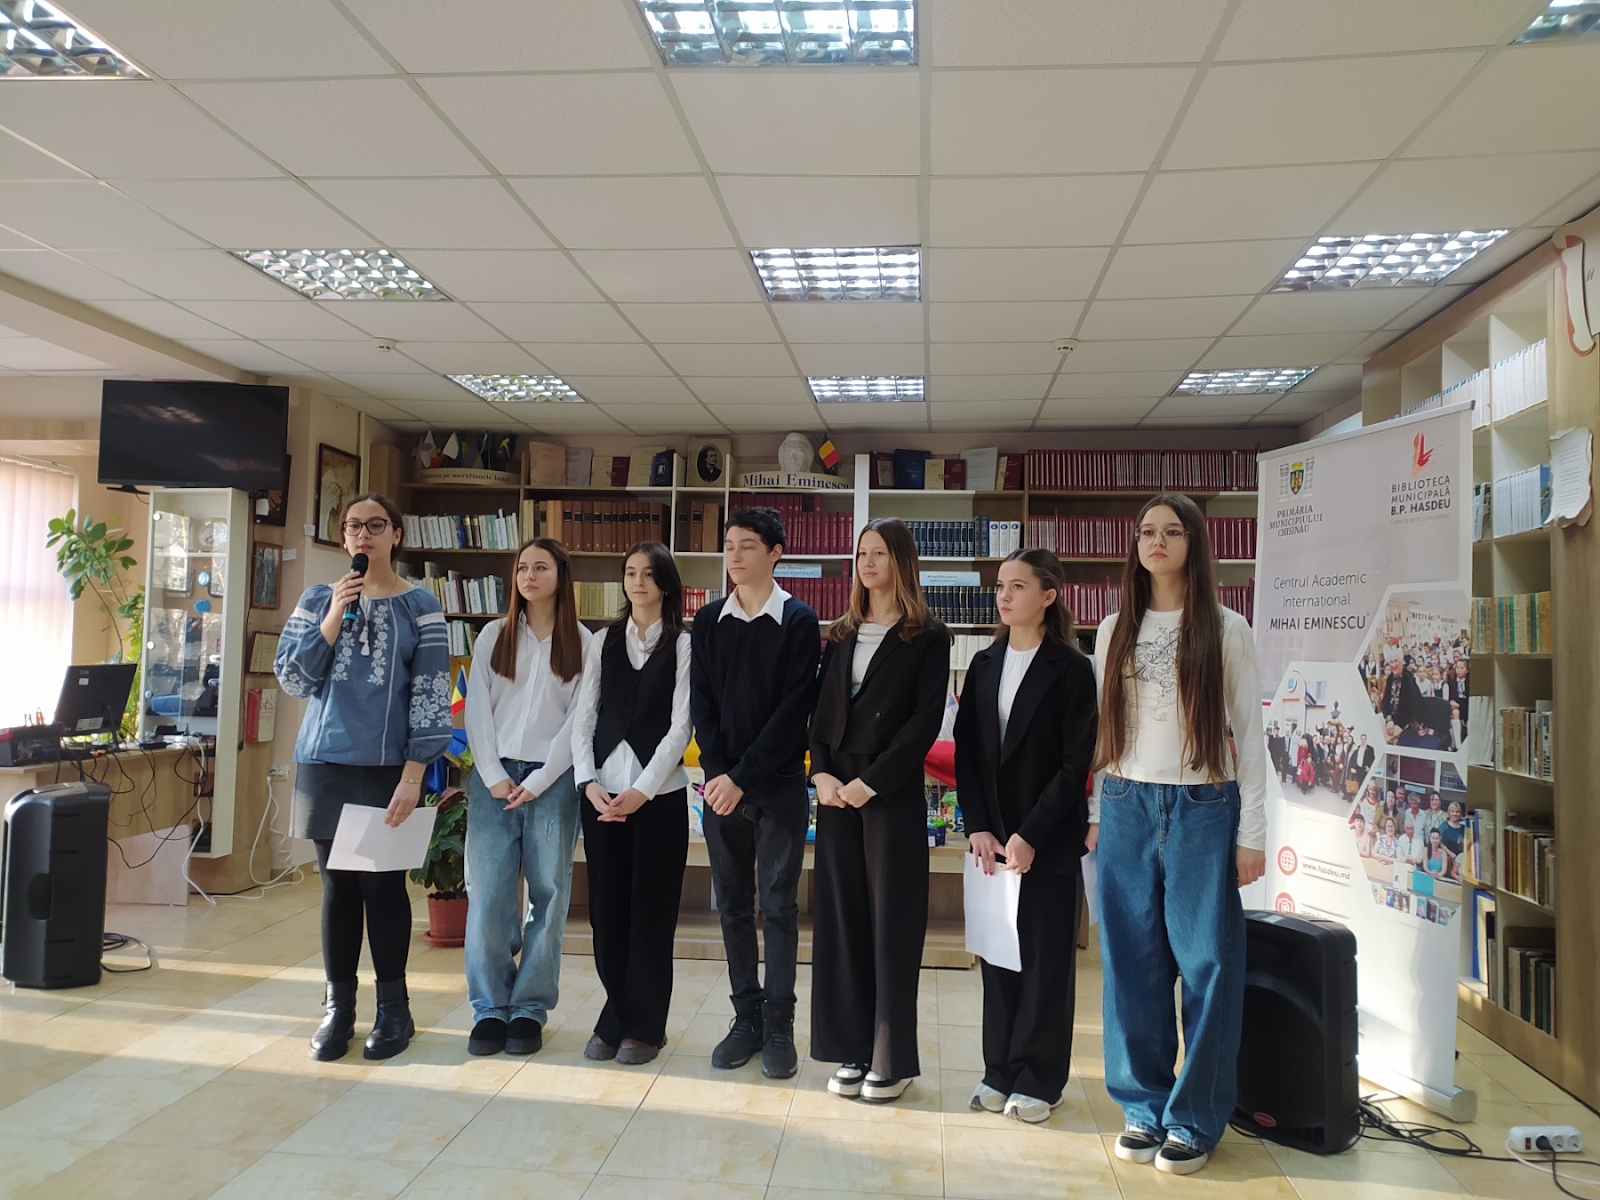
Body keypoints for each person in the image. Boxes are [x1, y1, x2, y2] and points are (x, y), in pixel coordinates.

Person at [1088, 494, 1267, 1177]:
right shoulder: (1114, 628)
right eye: (1145, 532)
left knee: (1207, 964)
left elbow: (1250, 736)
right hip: (1126, 802)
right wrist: (1097, 813)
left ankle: (1194, 1118)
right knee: (1130, 964)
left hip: (1203, 805)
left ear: (1193, 542)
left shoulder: (1226, 627)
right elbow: (1107, 732)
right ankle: (1143, 1105)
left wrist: (1253, 833)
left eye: (1170, 531)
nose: (1155, 541)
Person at [274, 493, 451, 1062]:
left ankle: (394, 1010)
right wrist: (333, 615)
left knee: (382, 887)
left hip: (387, 768)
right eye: (354, 526)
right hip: (325, 762)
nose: (363, 535)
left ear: (396, 534)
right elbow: (293, 679)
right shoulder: (318, 599)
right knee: (337, 887)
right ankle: (339, 1009)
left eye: (376, 525)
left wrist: (414, 774)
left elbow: (430, 694)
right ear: (344, 537)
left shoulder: (421, 606)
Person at [809, 519, 951, 1104]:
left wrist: (872, 783)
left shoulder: (928, 635)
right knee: (842, 921)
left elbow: (924, 722)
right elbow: (821, 711)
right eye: (862, 553)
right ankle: (852, 1047)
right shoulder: (842, 632)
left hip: (886, 791)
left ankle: (891, 1059)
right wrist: (820, 773)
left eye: (879, 553)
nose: (867, 563)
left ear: (901, 562)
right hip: (835, 791)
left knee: (891, 924)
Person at [954, 548, 1097, 1124]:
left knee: (1044, 961)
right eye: (1000, 587)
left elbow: (1075, 762)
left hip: (1049, 839)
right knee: (998, 957)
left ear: (1048, 595)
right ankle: (999, 1069)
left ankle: (1040, 1078)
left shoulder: (1071, 668)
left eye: (1017, 586)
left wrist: (1031, 833)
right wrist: (979, 826)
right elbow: (967, 753)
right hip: (992, 840)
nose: (1004, 596)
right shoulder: (984, 663)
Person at [691, 507, 821, 1079]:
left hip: (778, 788)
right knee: (733, 906)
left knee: (779, 906)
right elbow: (702, 706)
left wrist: (740, 776)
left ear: (775, 553)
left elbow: (794, 713)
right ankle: (745, 1018)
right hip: (721, 789)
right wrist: (719, 773)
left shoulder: (798, 620)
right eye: (729, 545)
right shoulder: (708, 619)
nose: (735, 555)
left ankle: (778, 1024)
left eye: (747, 545)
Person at [461, 538, 592, 1057]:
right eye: (521, 568)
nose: (529, 576)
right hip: (492, 780)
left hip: (552, 782)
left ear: (562, 575)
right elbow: (477, 710)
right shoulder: (494, 634)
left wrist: (538, 781)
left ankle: (530, 1008)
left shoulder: (584, 642)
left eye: (541, 567)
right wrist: (494, 775)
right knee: (489, 894)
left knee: (549, 894)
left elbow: (578, 724)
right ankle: (490, 1007)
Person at [570, 543, 694, 1066]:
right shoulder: (603, 640)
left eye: (647, 573)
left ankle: (645, 1025)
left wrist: (642, 789)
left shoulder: (684, 643)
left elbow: (681, 725)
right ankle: (615, 1014)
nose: (637, 582)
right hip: (602, 796)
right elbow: (584, 716)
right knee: (607, 914)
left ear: (665, 582)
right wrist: (586, 781)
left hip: (658, 799)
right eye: (629, 573)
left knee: (651, 913)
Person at [1379, 655, 1421, 735]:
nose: (1393, 665)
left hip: (1404, 722)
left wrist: (1398, 724)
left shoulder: (1408, 678)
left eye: (1396, 661)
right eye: (1391, 662)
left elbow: (1414, 704)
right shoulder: (1390, 678)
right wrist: (1389, 719)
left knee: (1383, 736)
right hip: (1390, 719)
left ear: (1402, 663)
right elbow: (1385, 701)